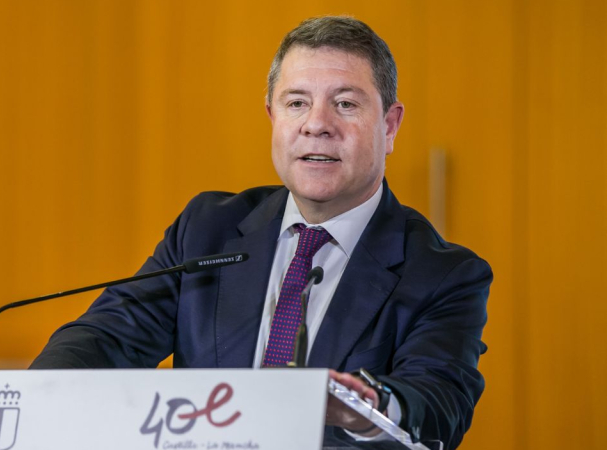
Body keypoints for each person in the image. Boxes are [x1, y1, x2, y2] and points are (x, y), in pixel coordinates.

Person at [31, 16, 491, 450]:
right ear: (273, 117)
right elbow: (107, 337)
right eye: (297, 103)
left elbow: (438, 402)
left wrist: (369, 407)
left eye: (345, 104)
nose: (317, 124)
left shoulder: (444, 275)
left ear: (389, 126)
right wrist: (37, 396)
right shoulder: (207, 229)